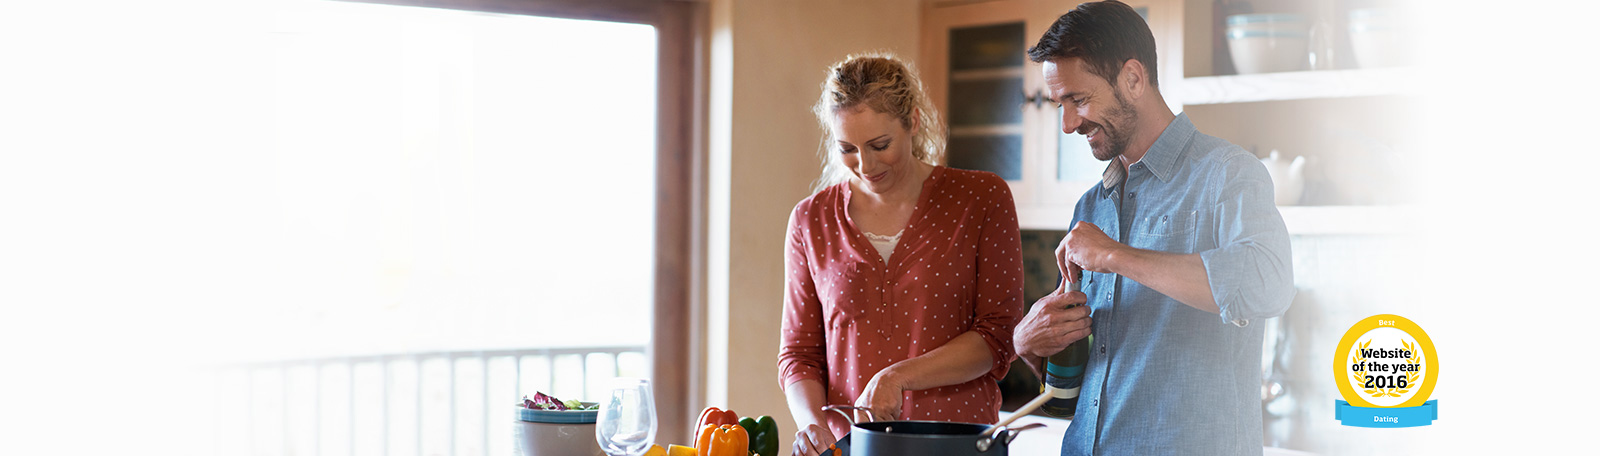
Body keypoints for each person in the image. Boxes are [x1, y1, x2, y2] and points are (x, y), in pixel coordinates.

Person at [1011, 2, 1296, 455]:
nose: (1067, 124)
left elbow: (1269, 284)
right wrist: (1031, 344)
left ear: (1133, 79)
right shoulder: (1092, 205)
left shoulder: (1227, 173)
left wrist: (1115, 256)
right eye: (1059, 105)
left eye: (1078, 100)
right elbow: (1090, 386)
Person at [777, 53, 1025, 456]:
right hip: (853, 446)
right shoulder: (811, 219)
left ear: (913, 121)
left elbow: (998, 337)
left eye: (879, 145)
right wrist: (811, 425)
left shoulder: (981, 198)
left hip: (957, 447)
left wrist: (897, 377)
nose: (865, 165)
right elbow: (799, 354)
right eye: (848, 149)